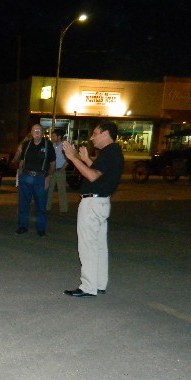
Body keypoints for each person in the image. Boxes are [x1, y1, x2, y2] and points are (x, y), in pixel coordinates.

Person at [62, 120, 124, 298]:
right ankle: (99, 283)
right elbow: (99, 172)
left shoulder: (109, 152)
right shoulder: (113, 152)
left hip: (93, 204)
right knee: (98, 246)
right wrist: (86, 159)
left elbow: (92, 176)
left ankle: (88, 286)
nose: (92, 137)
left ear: (106, 134)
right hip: (102, 203)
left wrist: (72, 157)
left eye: (95, 133)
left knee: (88, 246)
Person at [15, 124, 56, 237]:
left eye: (39, 130)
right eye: (34, 130)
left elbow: (52, 163)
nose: (36, 132)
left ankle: (41, 229)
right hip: (26, 177)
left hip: (40, 178)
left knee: (41, 206)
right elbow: (22, 160)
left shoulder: (48, 145)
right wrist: (20, 171)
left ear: (42, 132)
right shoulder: (26, 144)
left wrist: (49, 176)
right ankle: (23, 226)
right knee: (23, 204)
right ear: (31, 132)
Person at [46, 128, 68, 214]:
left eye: (54, 135)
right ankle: (47, 207)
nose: (52, 137)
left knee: (61, 191)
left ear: (59, 137)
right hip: (52, 170)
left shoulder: (64, 146)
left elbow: (68, 159)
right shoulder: (52, 145)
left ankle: (63, 210)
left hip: (60, 171)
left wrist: (62, 168)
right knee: (49, 190)